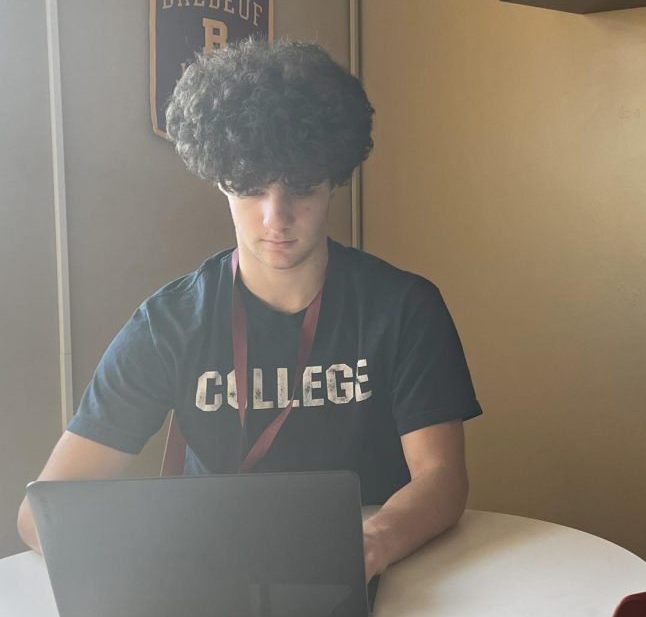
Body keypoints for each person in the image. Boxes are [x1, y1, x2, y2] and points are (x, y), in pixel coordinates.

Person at [16, 39, 482, 580]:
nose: (275, 217)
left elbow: (443, 480)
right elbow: (42, 509)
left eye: (301, 189)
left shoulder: (403, 309)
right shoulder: (169, 324)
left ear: (334, 178)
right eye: (251, 189)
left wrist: (372, 542)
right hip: (206, 575)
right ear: (221, 180)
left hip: (368, 573)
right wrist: (133, 562)